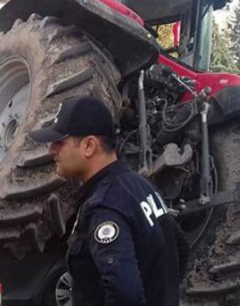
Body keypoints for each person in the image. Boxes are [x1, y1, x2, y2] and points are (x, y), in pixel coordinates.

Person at [28, 96, 186, 306]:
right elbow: (180, 247)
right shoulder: (140, 185)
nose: (52, 150)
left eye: (59, 142)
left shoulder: (105, 206)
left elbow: (126, 295)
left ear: (89, 146)